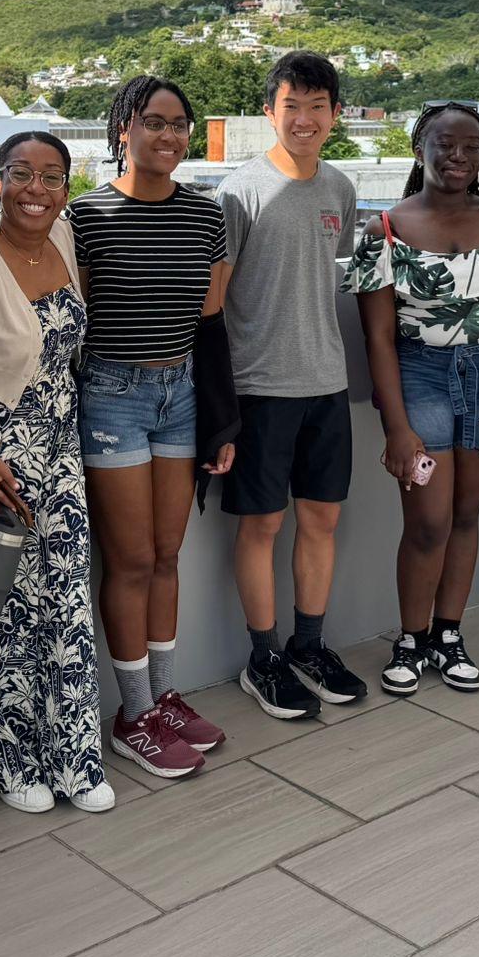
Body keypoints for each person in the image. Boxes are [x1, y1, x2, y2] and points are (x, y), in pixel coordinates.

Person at [347, 102, 479, 696]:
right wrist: (397, 427)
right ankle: (410, 639)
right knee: (429, 521)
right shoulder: (383, 231)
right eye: (445, 145)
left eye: (471, 147)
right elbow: (378, 339)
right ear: (420, 149)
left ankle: (448, 635)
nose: (458, 157)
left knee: (466, 514)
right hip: (422, 379)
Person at [0, 132, 114, 813]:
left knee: (65, 602)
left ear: (66, 188)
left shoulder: (68, 241)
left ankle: (74, 757)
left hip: (61, 447)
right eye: (20, 174)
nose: (35, 188)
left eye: (51, 176)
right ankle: (4, 760)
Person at [70, 75, 234, 778]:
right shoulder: (84, 216)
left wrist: (222, 419)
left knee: (168, 555)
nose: (168, 136)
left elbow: (210, 318)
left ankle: (163, 696)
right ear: (123, 131)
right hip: (111, 392)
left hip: (182, 391)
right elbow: (69, 320)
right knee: (130, 560)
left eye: (179, 124)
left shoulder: (207, 216)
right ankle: (132, 712)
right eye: (153, 121)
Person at [216, 51, 368, 720]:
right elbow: (213, 305)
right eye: (291, 107)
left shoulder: (340, 188)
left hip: (326, 382)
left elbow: (329, 282)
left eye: (317, 107)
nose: (304, 120)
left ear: (335, 114)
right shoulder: (238, 191)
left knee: (322, 519)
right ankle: (263, 657)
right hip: (259, 387)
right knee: (262, 525)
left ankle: (310, 645)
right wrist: (219, 408)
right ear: (269, 113)